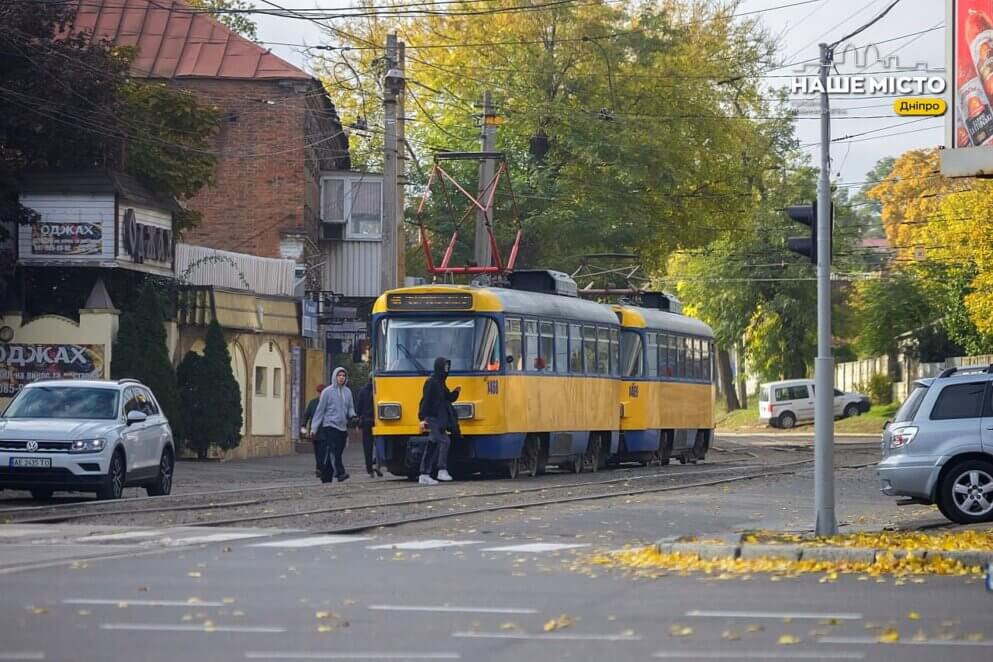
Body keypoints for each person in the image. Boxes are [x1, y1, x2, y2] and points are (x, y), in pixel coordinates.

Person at [417, 356, 460, 485]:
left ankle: (424, 474)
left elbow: (448, 398)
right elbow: (426, 400)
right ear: (440, 367)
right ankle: (441, 470)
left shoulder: (441, 383)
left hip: (439, 419)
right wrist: (422, 418)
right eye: (445, 366)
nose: (447, 369)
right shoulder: (431, 382)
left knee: (433, 443)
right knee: (443, 441)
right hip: (432, 418)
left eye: (448, 367)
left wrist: (456, 393)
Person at [310, 367, 356, 483]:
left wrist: (353, 416)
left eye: (343, 376)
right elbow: (320, 411)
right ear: (335, 377)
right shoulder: (327, 392)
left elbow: (350, 408)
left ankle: (326, 475)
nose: (341, 378)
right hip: (329, 425)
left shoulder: (347, 392)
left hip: (342, 427)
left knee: (337, 452)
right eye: (339, 375)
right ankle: (340, 473)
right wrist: (314, 428)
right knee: (333, 450)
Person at [356, 378, 382, 478]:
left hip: (366, 421)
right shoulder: (380, 389)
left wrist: (358, 421)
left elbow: (359, 408)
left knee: (367, 446)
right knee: (379, 445)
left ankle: (369, 468)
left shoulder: (363, 391)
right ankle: (377, 464)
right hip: (378, 422)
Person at [302, 384, 325, 477]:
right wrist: (303, 425)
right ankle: (319, 467)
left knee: (323, 451)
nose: (320, 394)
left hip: (325, 431)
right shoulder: (313, 403)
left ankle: (321, 468)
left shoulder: (328, 403)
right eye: (319, 392)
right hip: (315, 431)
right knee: (317, 451)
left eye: (322, 392)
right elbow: (307, 415)